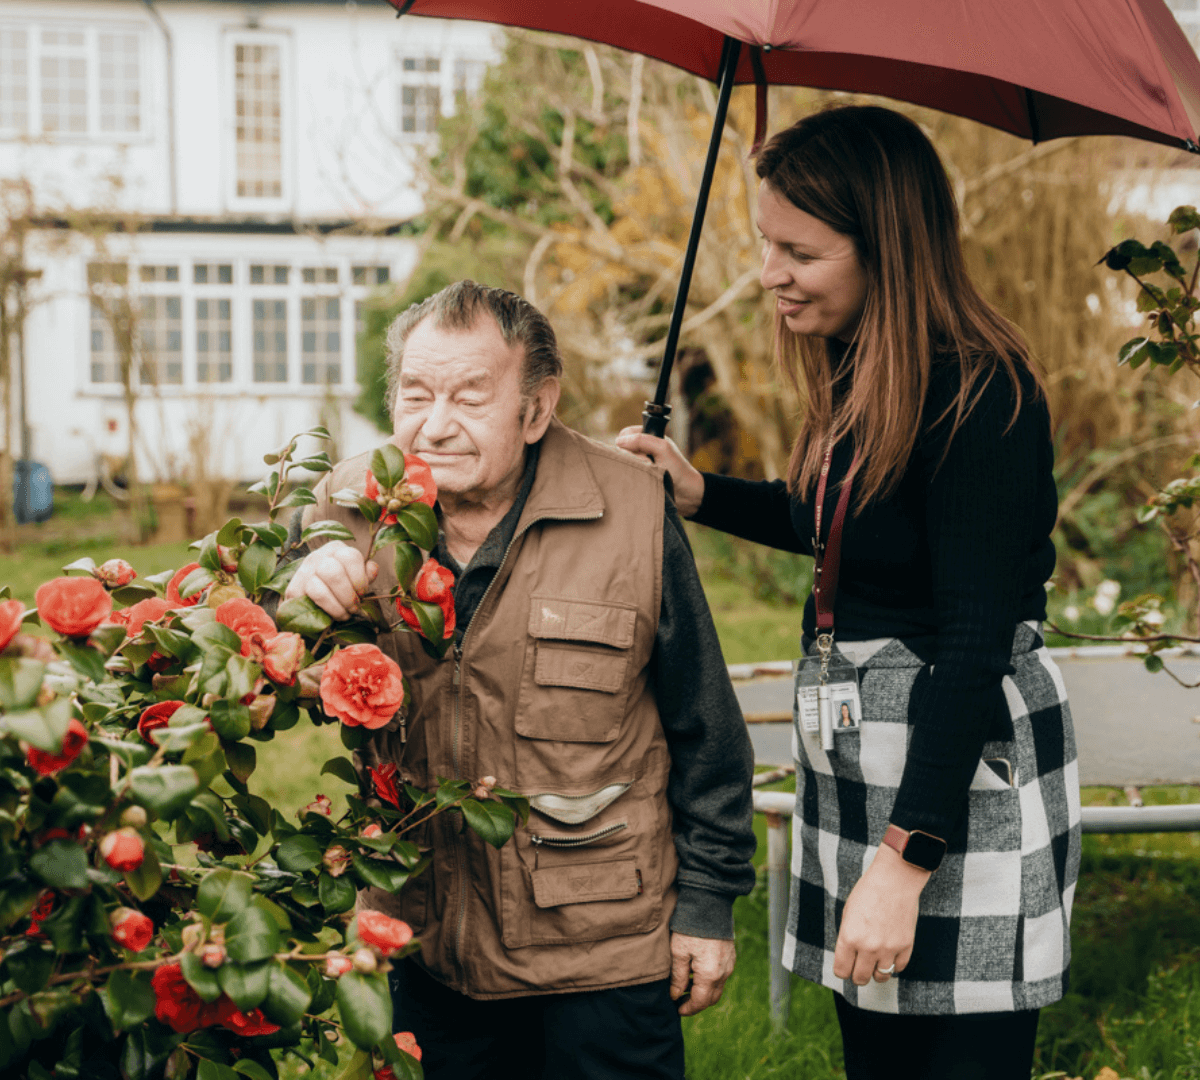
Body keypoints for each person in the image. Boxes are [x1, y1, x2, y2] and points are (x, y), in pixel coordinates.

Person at [618, 105, 1080, 1079]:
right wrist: (698, 492)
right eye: (764, 244)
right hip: (860, 760)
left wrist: (905, 861)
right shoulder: (865, 367)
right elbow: (841, 524)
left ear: (887, 247)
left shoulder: (980, 395)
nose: (768, 273)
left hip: (955, 769)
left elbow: (973, 644)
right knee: (878, 1055)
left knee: (957, 1059)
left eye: (800, 252)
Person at [285, 280, 756, 1080]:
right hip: (423, 941)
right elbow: (256, 652)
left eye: (470, 397)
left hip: (602, 952)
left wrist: (709, 903)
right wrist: (295, 592)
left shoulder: (633, 510)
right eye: (415, 394)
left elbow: (706, 727)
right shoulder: (347, 505)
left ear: (537, 409)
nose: (435, 425)